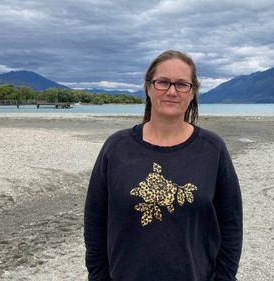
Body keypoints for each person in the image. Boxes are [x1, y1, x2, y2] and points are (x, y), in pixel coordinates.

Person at [84, 50, 243, 281]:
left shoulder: (212, 148)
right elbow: (95, 222)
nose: (171, 91)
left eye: (181, 84)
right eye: (163, 82)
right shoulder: (116, 147)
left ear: (192, 93)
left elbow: (232, 224)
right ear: (148, 87)